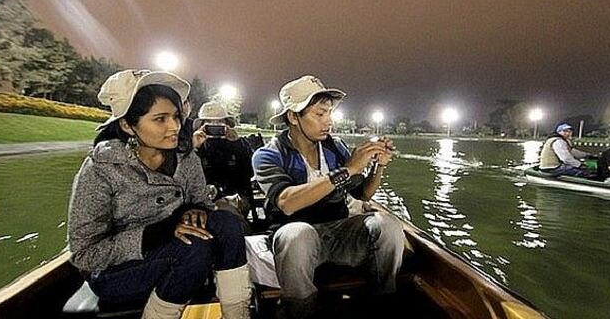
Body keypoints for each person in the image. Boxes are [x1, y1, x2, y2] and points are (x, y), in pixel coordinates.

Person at [67, 70, 252, 319]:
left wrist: (197, 209)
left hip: (180, 251)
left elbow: (202, 203)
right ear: (128, 125)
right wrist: (158, 233)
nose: (174, 127)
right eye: (160, 119)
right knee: (194, 247)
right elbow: (85, 255)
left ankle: (238, 315)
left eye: (176, 117)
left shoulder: (185, 158)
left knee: (227, 223)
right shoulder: (101, 169)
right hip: (117, 272)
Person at [252, 75, 405, 319]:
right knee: (297, 234)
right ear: (293, 117)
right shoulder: (268, 155)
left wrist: (379, 167)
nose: (329, 122)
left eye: (329, 114)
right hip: (296, 235)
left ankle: (381, 304)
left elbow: (362, 193)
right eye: (319, 114)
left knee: (387, 225)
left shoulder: (336, 147)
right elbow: (287, 202)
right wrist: (348, 169)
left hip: (338, 230)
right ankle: (300, 310)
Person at [192, 101, 257, 231]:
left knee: (224, 213)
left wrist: (237, 144)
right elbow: (187, 176)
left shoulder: (238, 144)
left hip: (234, 197)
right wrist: (194, 148)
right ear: (201, 125)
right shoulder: (195, 147)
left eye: (219, 122)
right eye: (210, 123)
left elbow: (250, 173)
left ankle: (240, 239)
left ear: (227, 123)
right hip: (203, 199)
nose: (215, 127)